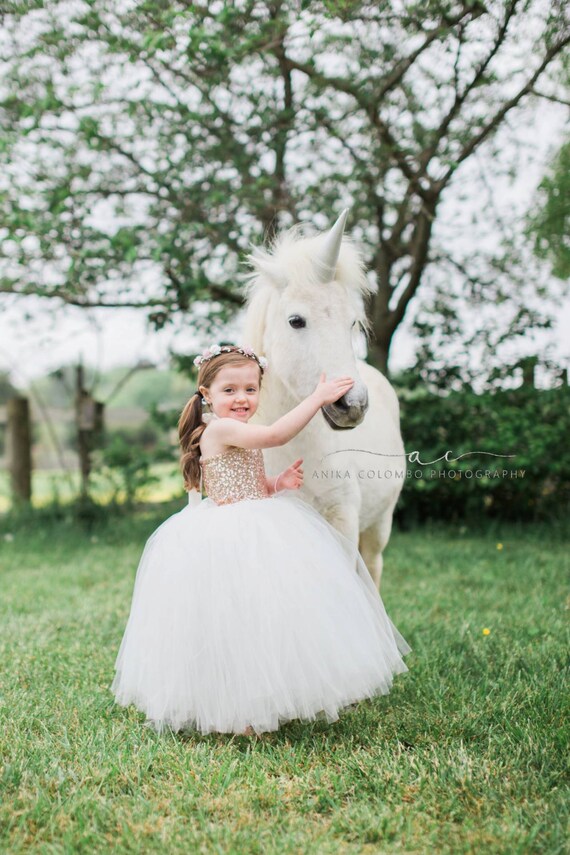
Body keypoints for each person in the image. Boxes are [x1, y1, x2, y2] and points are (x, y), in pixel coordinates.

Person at [110, 344, 411, 736]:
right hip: (229, 536)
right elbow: (275, 434)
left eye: (250, 390)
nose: (241, 398)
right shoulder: (219, 428)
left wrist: (275, 484)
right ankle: (238, 712)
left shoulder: (236, 430)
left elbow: (241, 481)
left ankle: (267, 699)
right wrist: (317, 398)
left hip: (254, 518)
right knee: (234, 622)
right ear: (207, 396)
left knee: (265, 620)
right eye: (230, 390)